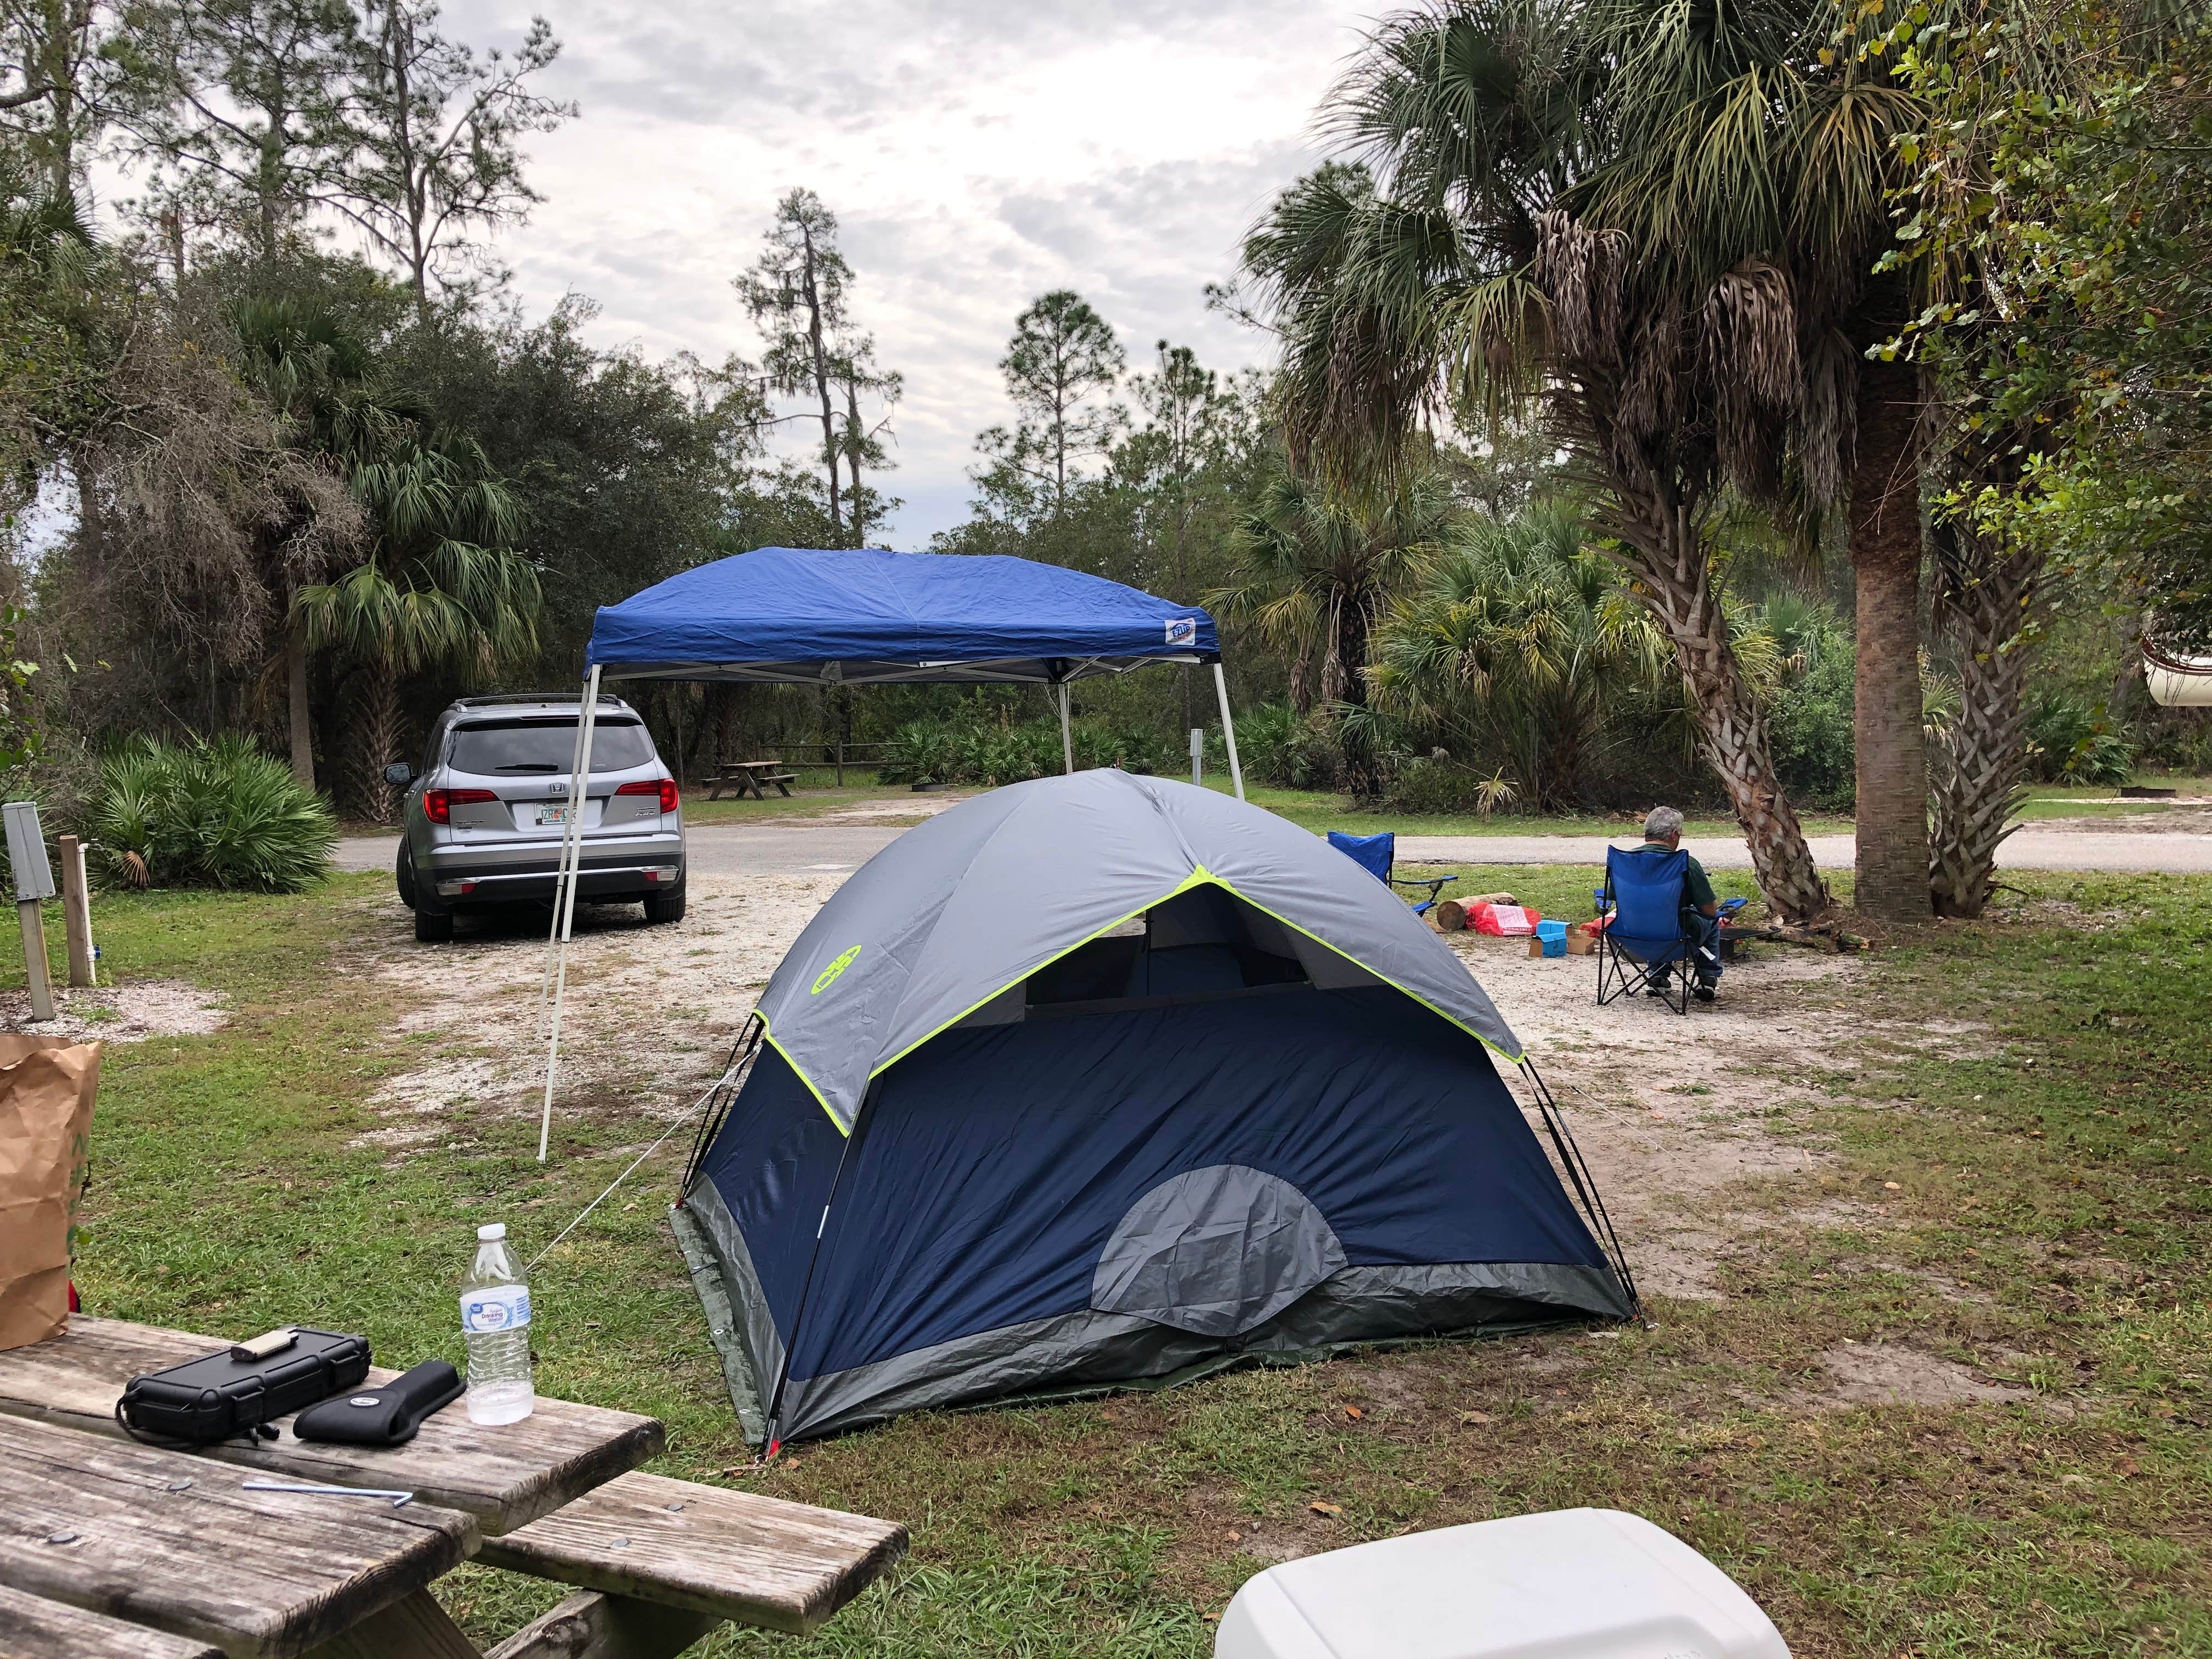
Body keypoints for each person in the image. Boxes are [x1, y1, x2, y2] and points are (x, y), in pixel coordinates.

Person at [1638, 805, 1722, 1002]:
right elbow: (1710, 911)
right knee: (1712, 923)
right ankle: (1707, 978)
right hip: (1678, 939)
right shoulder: (1686, 863)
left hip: (1631, 938)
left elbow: (1605, 902)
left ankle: (1658, 976)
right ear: (1674, 835)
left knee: (1652, 916)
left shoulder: (1624, 860)